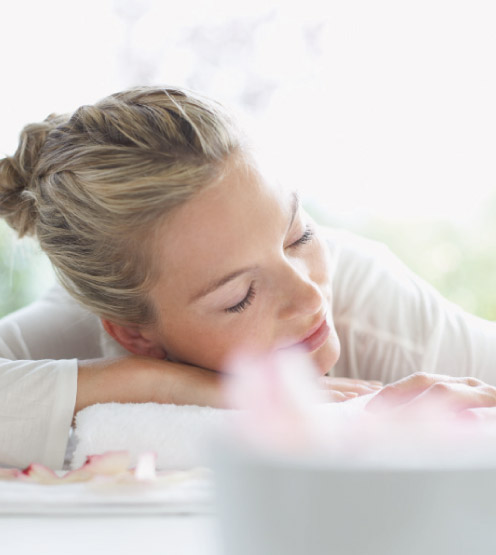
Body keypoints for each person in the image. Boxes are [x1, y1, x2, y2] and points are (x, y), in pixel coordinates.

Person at [1, 86, 496, 470]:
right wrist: (165, 385)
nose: (309, 297)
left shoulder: (367, 302)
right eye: (240, 296)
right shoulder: (74, 333)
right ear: (134, 335)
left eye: (299, 236)